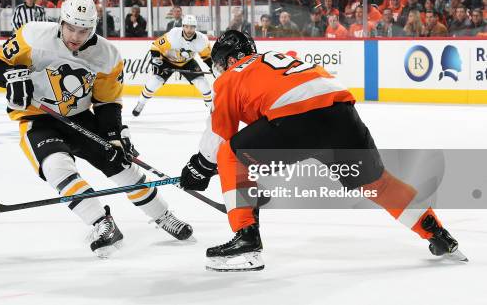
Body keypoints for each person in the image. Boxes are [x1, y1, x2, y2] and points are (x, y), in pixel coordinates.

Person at [178, 30, 465, 271]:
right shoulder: (282, 59)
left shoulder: (231, 76)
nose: (220, 71)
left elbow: (219, 138)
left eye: (219, 65)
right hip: (342, 115)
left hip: (298, 120)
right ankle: (438, 233)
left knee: (230, 153)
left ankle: (246, 242)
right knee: (378, 182)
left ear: (231, 59)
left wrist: (199, 168)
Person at [0, 0, 192, 257]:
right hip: (36, 117)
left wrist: (115, 135)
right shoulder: (32, 35)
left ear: (93, 27)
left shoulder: (108, 55)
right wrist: (11, 78)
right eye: (70, 28)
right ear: (61, 22)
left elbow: (107, 102)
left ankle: (163, 216)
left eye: (83, 30)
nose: (75, 36)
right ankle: (101, 222)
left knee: (120, 163)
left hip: (80, 117)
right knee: (56, 166)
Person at [132, 15, 213, 116]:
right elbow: (156, 46)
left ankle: (211, 107)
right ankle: (141, 103)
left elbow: (207, 57)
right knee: (154, 82)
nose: (189, 30)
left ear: (195, 28)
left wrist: (213, 67)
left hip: (187, 62)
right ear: (183, 26)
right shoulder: (173, 34)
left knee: (203, 84)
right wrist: (156, 59)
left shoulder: (202, 40)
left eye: (192, 27)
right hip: (167, 61)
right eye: (186, 26)